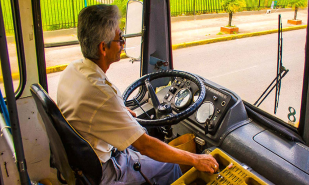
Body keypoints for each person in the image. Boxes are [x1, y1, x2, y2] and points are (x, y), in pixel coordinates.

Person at [57, 4, 218, 185]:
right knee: (171, 166)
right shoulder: (102, 94)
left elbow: (91, 111)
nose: (123, 43)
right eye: (120, 38)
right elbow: (146, 146)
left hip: (85, 164)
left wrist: (118, 111)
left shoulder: (72, 71)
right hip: (106, 171)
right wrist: (195, 159)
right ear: (103, 48)